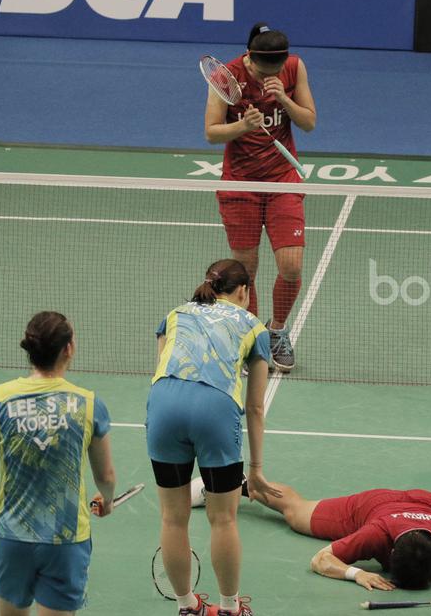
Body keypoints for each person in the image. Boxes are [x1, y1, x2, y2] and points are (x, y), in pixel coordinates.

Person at [148, 259, 284, 616]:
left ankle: (187, 606)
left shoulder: (175, 314)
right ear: (244, 292)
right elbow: (254, 408)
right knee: (223, 519)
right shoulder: (255, 327)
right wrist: (255, 469)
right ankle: (229, 608)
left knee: (172, 518)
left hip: (163, 407)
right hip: (214, 409)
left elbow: (163, 369)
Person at [0, 311, 116, 616]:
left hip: (11, 534)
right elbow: (105, 475)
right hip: (64, 539)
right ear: (68, 349)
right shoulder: (88, 403)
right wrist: (108, 498)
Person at [204, 22, 317, 373]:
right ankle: (251, 335)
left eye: (277, 71)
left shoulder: (294, 68)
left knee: (292, 265)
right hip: (241, 185)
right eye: (265, 70)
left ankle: (278, 330)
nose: (273, 74)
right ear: (250, 58)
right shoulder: (227, 76)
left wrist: (284, 98)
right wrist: (242, 127)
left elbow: (309, 122)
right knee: (245, 271)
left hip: (282, 179)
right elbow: (211, 132)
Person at [242, 456, 431, 591]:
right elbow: (319, 560)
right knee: (296, 513)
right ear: (391, 551)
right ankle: (233, 484)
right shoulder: (376, 534)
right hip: (374, 506)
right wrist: (356, 574)